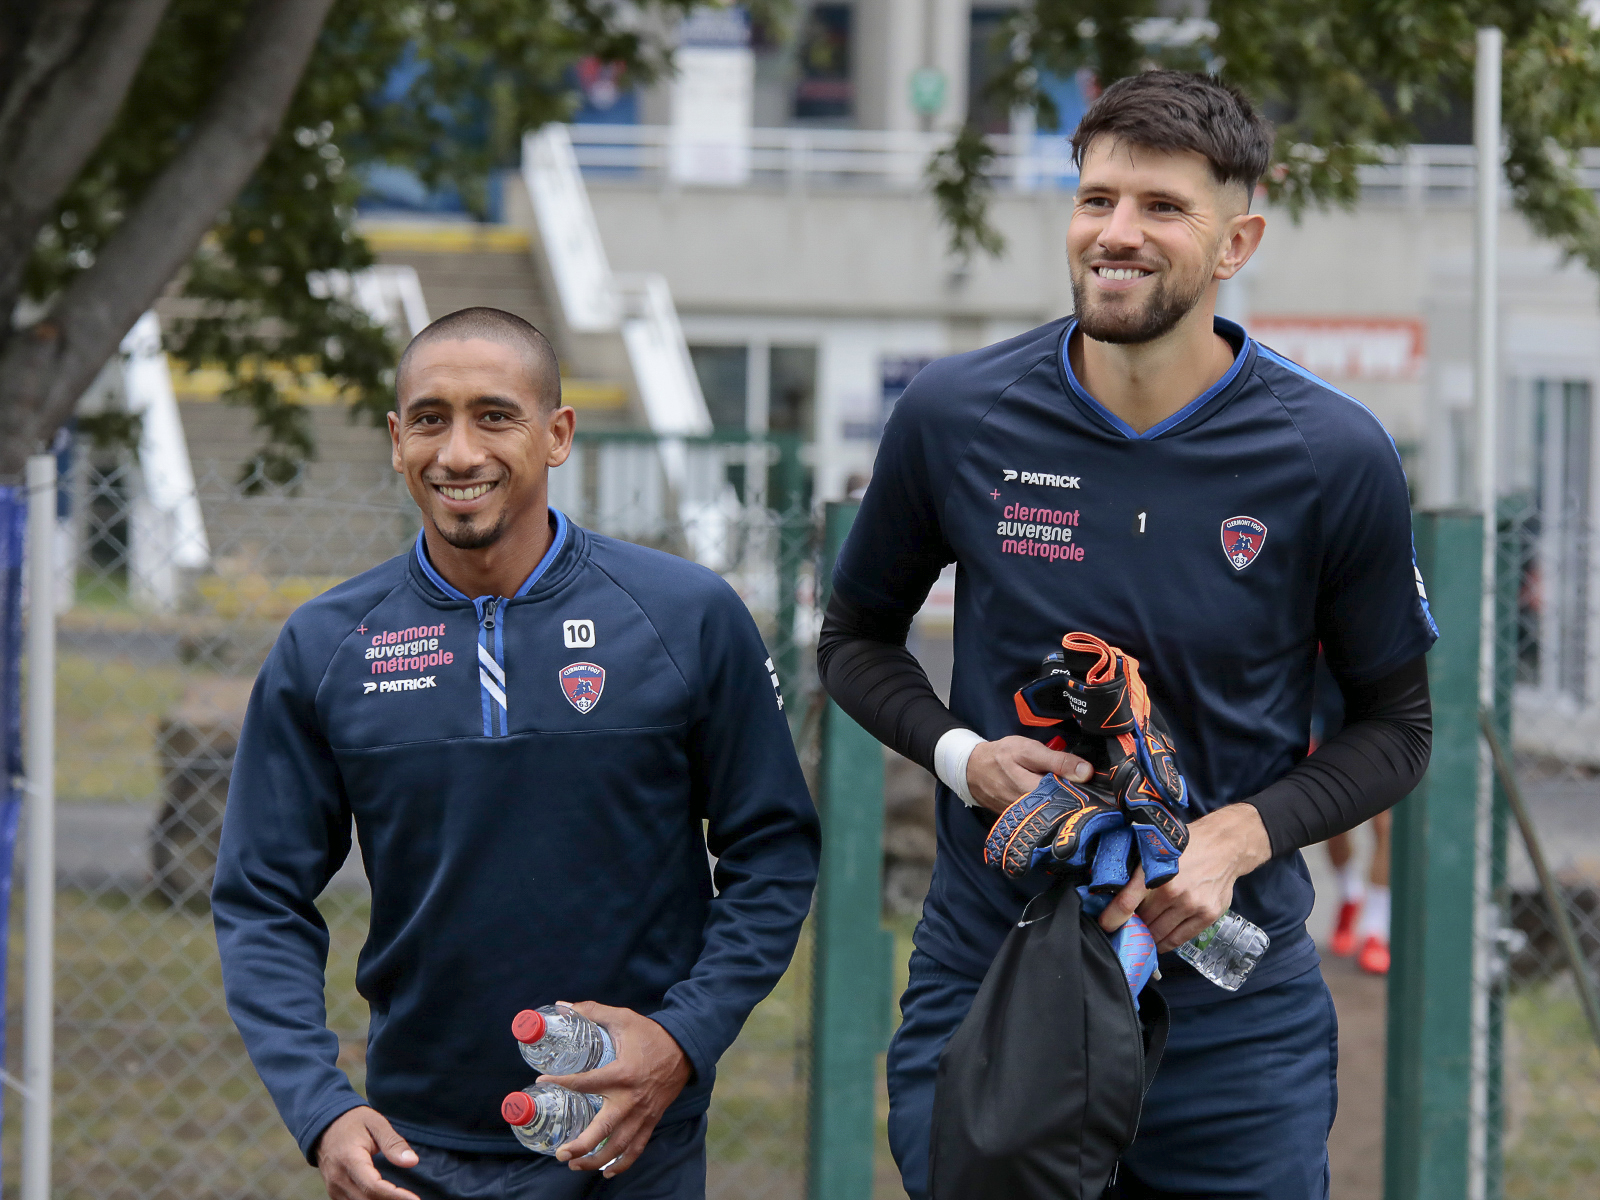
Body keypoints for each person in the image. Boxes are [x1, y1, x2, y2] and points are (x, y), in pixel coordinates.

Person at [818, 71, 1435, 1199]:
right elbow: (853, 640)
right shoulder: (958, 415)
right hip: (996, 965)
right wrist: (967, 761)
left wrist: (1239, 836)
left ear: (1237, 238)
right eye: (1095, 198)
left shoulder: (1331, 453)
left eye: (1162, 207)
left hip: (1229, 1000)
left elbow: (1395, 729)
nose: (1116, 232)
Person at [213, 307, 820, 1200]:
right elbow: (260, 895)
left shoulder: (684, 616)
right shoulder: (326, 645)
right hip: (415, 1155)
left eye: (494, 415)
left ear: (557, 433)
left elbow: (772, 852)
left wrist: (683, 1038)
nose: (458, 453)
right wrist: (320, 1105)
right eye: (430, 419)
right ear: (395, 440)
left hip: (631, 1140)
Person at [1312, 651, 1393, 974]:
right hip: (1333, 717)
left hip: (1385, 719)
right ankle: (1350, 894)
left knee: (1384, 823)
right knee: (1335, 820)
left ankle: (1376, 929)